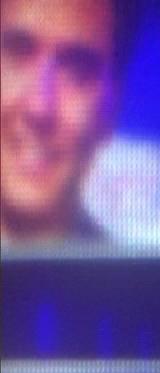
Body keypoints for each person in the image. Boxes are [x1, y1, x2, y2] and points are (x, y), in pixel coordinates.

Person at [0, 0, 133, 246]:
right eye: (16, 54)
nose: (40, 107)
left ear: (111, 107)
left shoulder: (141, 271)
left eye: (76, 71)